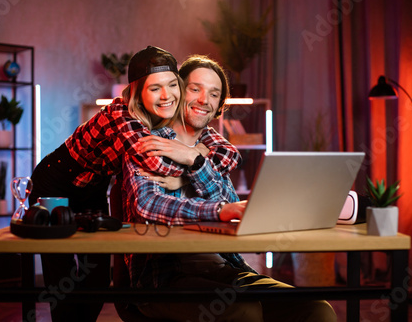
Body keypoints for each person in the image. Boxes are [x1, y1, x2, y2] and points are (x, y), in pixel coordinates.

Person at [29, 46, 241, 322]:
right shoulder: (125, 117)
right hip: (55, 183)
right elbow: (157, 166)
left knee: (96, 277)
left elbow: (229, 154)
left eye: (171, 85)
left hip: (94, 187)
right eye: (155, 88)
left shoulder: (167, 118)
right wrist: (191, 162)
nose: (166, 95)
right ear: (137, 91)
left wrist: (189, 161)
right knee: (62, 278)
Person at [122, 55, 337, 321]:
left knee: (317, 309)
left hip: (226, 268)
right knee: (244, 310)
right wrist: (221, 208)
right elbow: (148, 205)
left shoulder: (216, 150)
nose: (205, 100)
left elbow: (230, 204)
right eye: (195, 89)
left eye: (214, 94)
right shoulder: (146, 142)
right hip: (165, 276)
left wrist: (195, 161)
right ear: (177, 91)